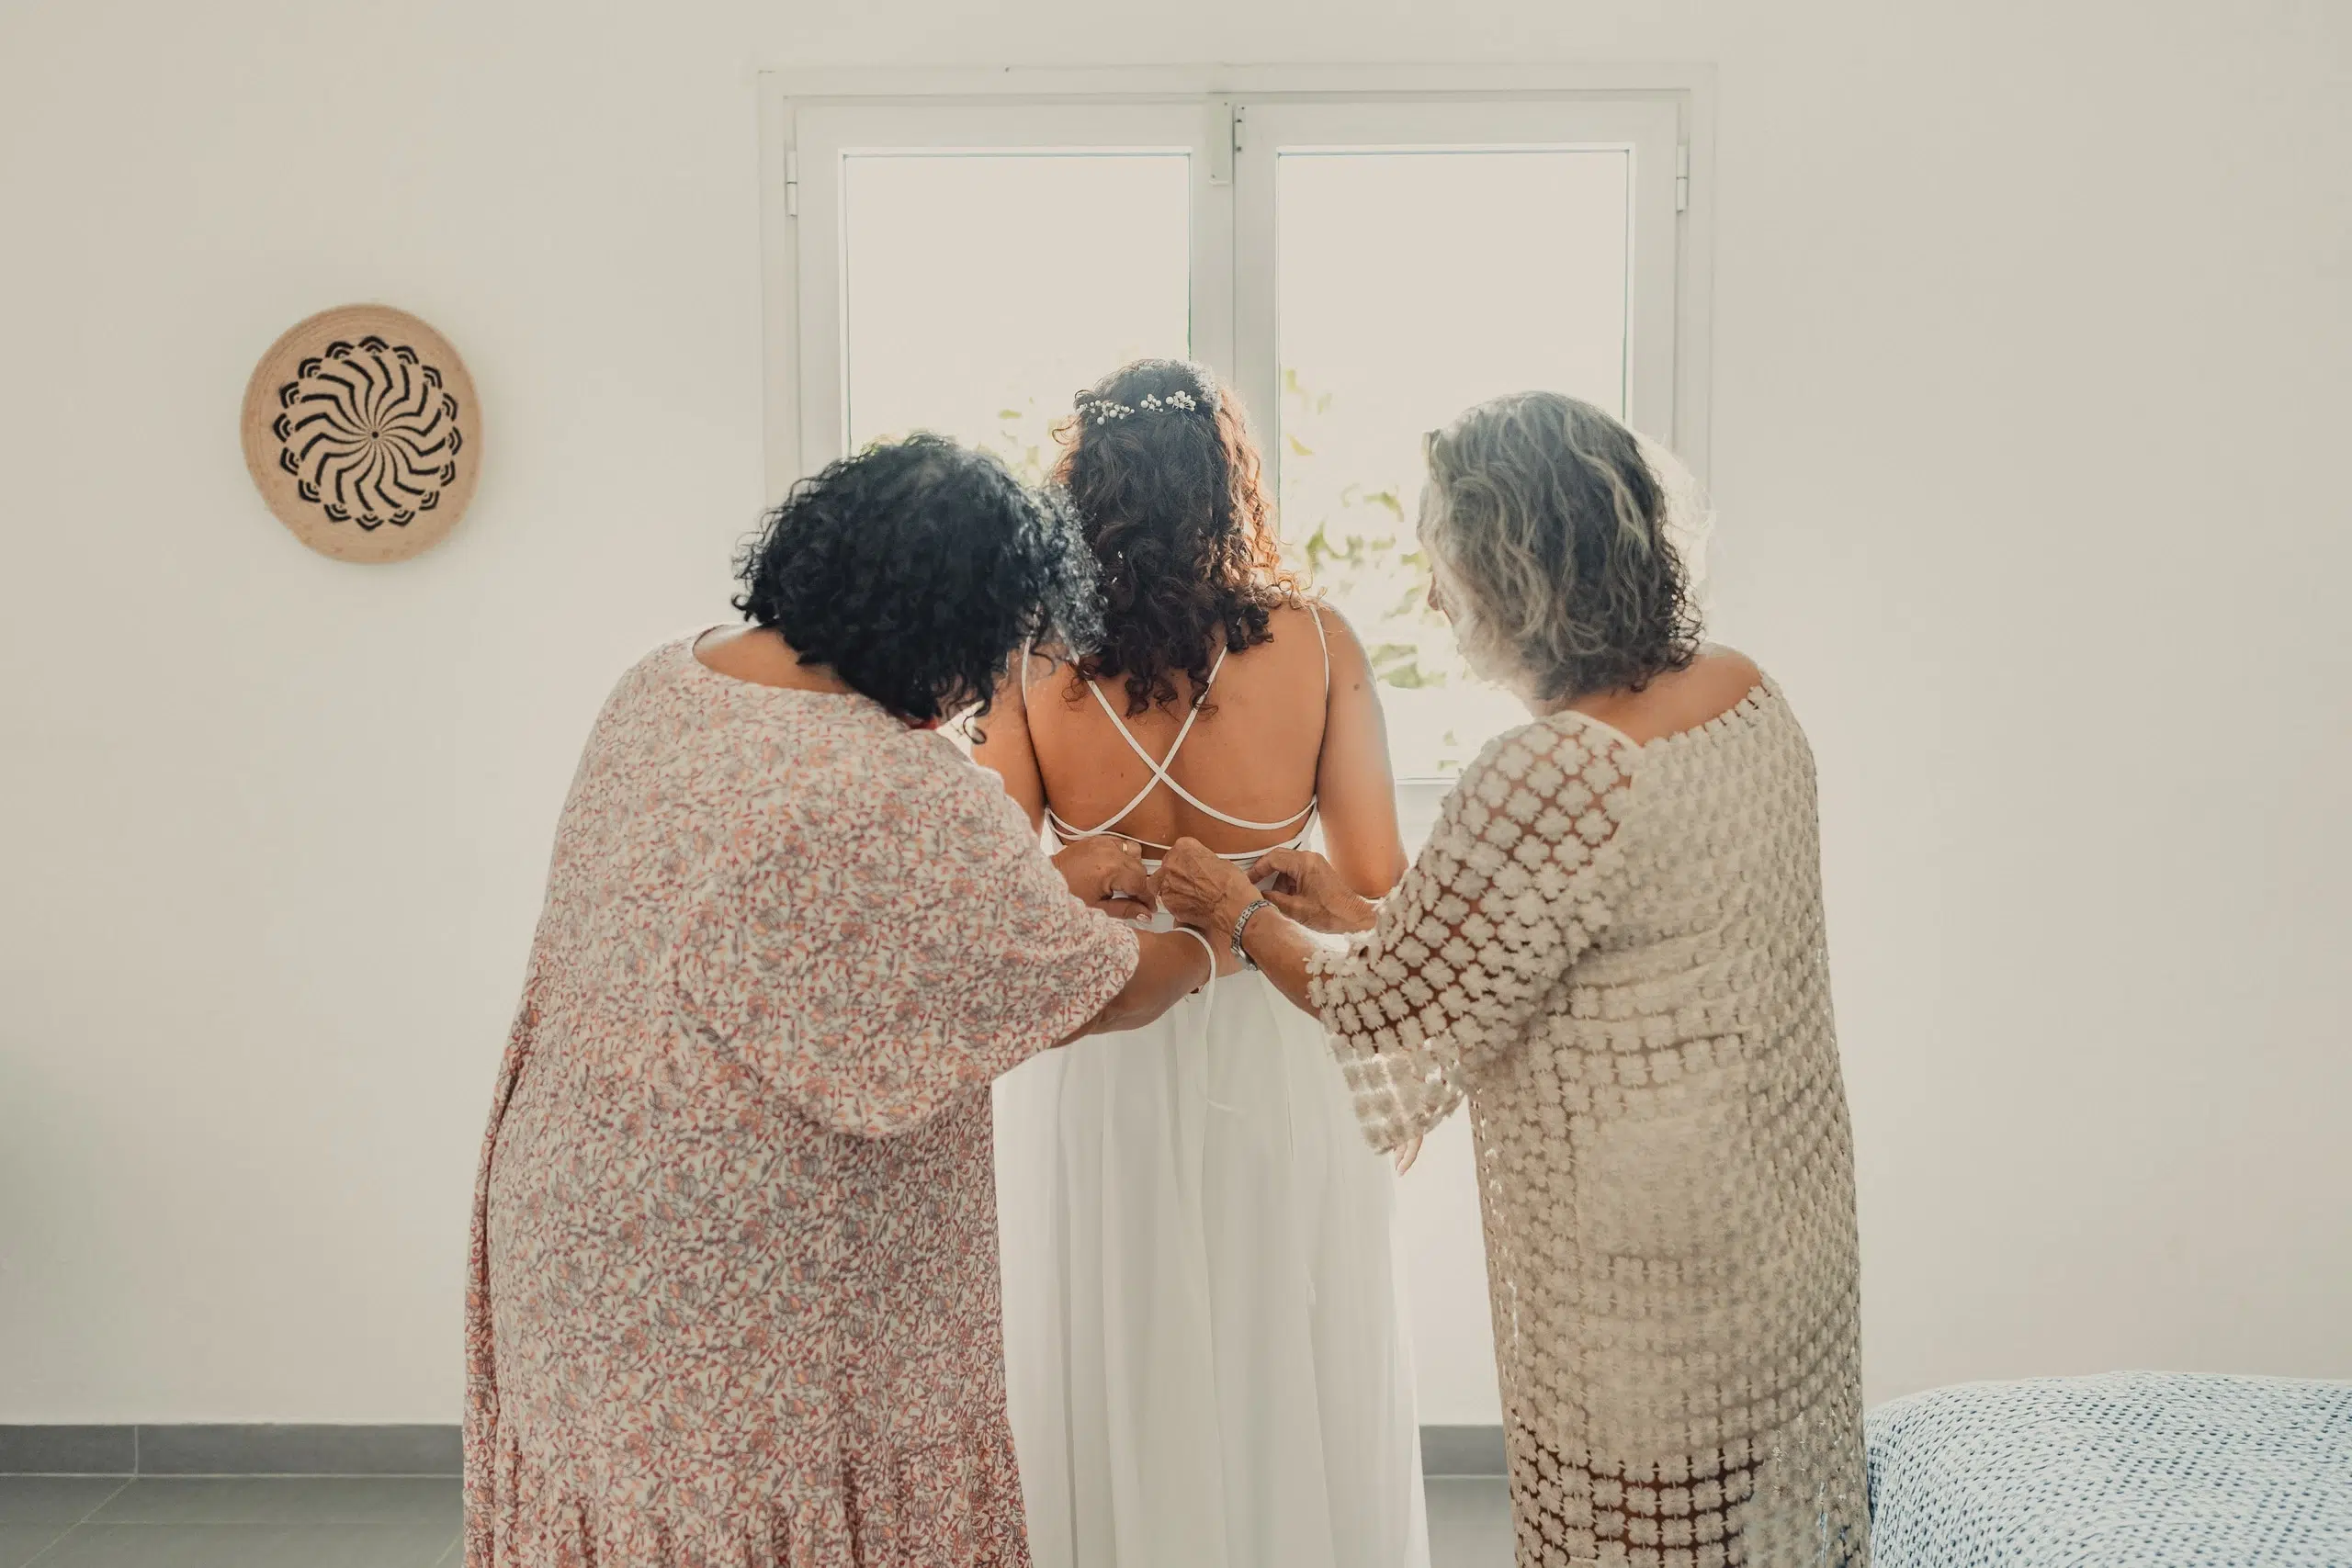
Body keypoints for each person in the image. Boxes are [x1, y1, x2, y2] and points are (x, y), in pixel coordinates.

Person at [463, 434, 1229, 1568]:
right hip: (754, 1274)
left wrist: (1042, 885)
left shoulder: (663, 683)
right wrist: (1212, 940)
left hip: (568, 1214)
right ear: (958, 629)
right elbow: (1099, 991)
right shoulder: (897, 781)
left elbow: (791, 929)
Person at [1156, 392, 1871, 1568]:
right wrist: (1350, 907)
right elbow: (1587, 941)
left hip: (1637, 1256)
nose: (1437, 599)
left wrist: (1232, 915)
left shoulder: (1548, 768)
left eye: (1449, 567)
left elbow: (1378, 1002)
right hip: (1779, 1213)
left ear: (1517, 574)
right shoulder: (1746, 694)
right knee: (1755, 1528)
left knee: (1640, 1537)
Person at [972, 360, 1430, 1568]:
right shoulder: (1321, 641)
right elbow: (1376, 885)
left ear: (1083, 486)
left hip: (1106, 1037)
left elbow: (983, 883)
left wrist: (1100, 864)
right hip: (1277, 1030)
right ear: (1233, 483)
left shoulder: (1033, 660)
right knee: (1283, 1337)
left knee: (1120, 1341)